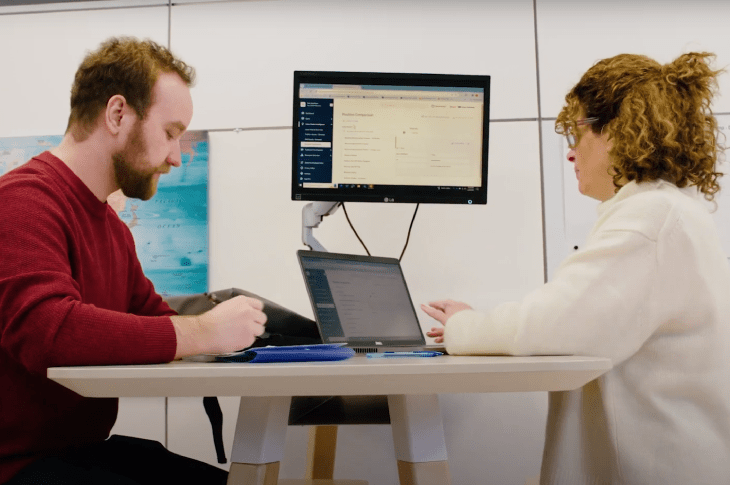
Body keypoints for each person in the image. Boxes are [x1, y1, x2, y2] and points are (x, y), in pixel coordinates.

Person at [423, 52, 730, 485]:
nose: (570, 153)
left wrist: (463, 326)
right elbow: (576, 314)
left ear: (618, 131)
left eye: (577, 131)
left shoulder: (652, 219)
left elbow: (554, 323)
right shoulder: (669, 212)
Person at [0, 37, 267, 485]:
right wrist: (203, 331)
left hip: (81, 453)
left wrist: (246, 338)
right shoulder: (22, 203)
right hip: (21, 468)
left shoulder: (112, 229)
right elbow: (50, 332)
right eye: (170, 132)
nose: (176, 156)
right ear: (117, 113)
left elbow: (154, 319)